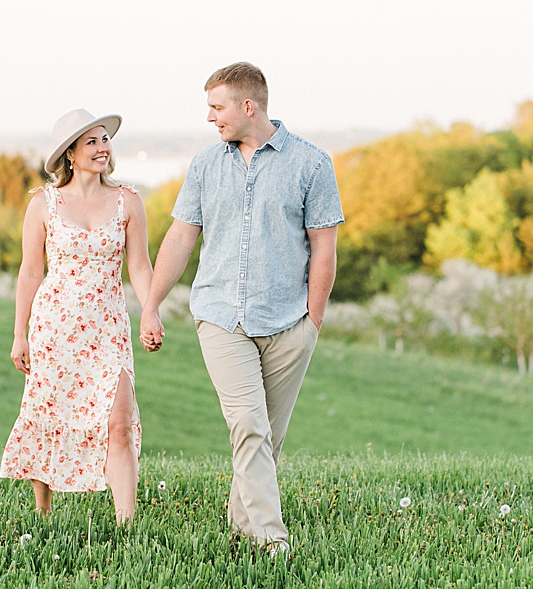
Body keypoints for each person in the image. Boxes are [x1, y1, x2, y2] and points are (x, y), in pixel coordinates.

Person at [139, 62, 342, 555]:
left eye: (217, 107)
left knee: (265, 438)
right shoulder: (206, 166)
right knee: (248, 425)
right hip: (220, 316)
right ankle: (272, 540)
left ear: (248, 107)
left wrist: (311, 322)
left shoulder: (312, 164)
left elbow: (325, 248)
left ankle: (240, 528)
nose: (210, 118)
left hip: (288, 321)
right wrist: (150, 306)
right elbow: (181, 237)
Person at [0, 108, 154, 525]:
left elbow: (139, 266)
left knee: (118, 423)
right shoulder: (43, 204)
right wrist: (19, 334)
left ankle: (126, 525)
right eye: (92, 141)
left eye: (105, 140)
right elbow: (31, 270)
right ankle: (43, 514)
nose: (103, 148)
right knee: (48, 414)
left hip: (109, 330)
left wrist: (150, 311)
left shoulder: (128, 201)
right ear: (69, 153)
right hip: (54, 328)